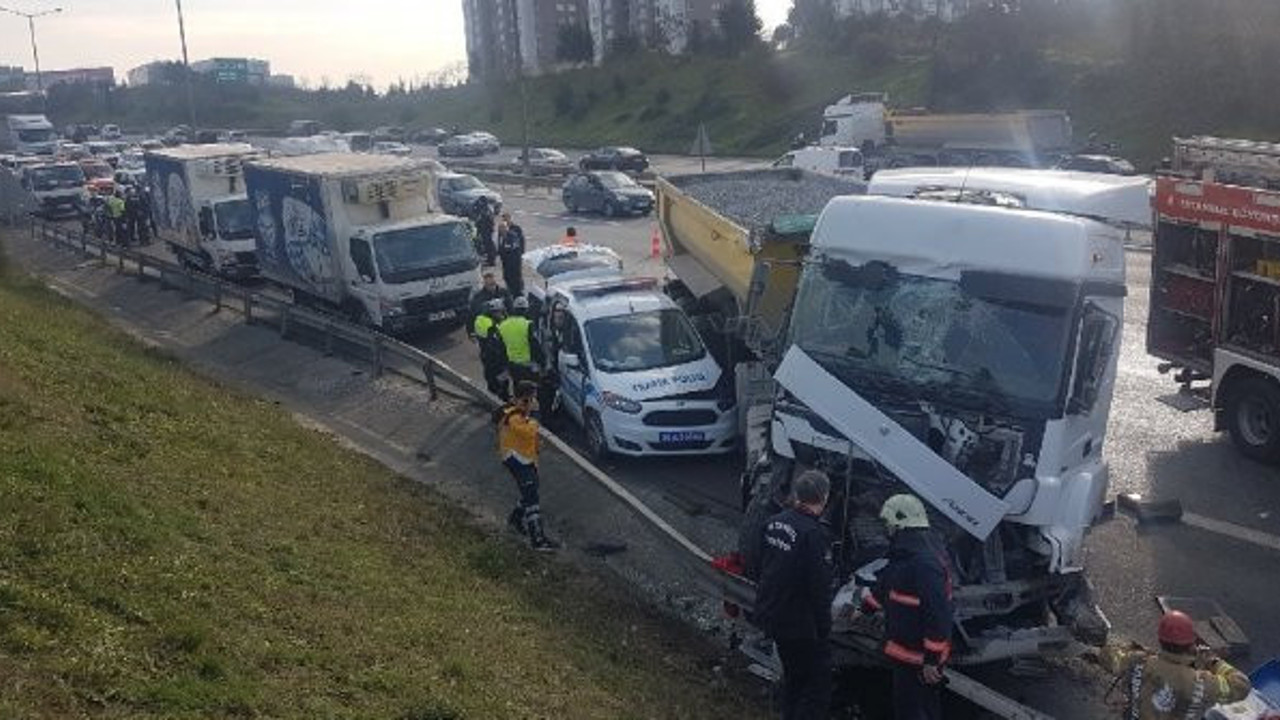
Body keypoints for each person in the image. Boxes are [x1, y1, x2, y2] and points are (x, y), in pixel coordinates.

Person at [864, 494, 953, 720]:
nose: (886, 530)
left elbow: (938, 614)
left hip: (920, 660)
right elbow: (889, 587)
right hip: (907, 655)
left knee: (917, 712)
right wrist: (865, 608)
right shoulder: (906, 555)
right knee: (912, 709)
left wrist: (932, 660)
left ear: (898, 525)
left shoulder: (924, 564)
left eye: (888, 525)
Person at [753, 470, 833, 720]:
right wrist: (824, 627)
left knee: (793, 677)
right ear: (824, 497)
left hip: (772, 612)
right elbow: (819, 587)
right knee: (817, 686)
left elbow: (757, 563)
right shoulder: (813, 535)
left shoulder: (774, 522)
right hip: (800, 623)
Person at [1098, 611, 1251, 719]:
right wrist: (1213, 661)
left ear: (1161, 640)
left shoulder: (1139, 661)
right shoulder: (1200, 683)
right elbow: (1242, 686)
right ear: (1192, 644)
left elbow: (1107, 657)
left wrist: (1134, 650)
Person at [496, 380, 558, 552]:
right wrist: (536, 414)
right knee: (532, 499)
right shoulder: (513, 416)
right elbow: (529, 431)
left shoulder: (520, 414)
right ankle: (538, 540)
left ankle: (515, 520)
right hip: (517, 460)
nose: (534, 402)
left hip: (525, 459)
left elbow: (531, 436)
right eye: (532, 399)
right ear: (524, 399)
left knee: (530, 490)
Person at [498, 296, 543, 387]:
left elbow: (500, 347)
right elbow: (535, 345)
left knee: (517, 387)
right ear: (526, 310)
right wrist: (542, 362)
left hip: (512, 365)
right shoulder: (528, 324)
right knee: (531, 390)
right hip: (528, 365)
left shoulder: (503, 325)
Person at [475, 298, 511, 401]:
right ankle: (503, 399)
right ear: (494, 312)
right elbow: (498, 343)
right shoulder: (493, 326)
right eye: (501, 312)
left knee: (490, 379)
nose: (502, 315)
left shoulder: (480, 320)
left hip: (485, 356)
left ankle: (492, 397)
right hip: (497, 358)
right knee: (502, 381)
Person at [467, 271, 511, 340]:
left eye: (493, 284)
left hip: (504, 326)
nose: (492, 287)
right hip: (487, 330)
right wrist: (471, 333)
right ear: (485, 284)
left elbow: (511, 308)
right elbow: (471, 315)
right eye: (489, 285)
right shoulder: (478, 297)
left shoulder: (504, 292)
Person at [496, 211, 526, 296]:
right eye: (503, 218)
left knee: (516, 278)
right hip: (505, 261)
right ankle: (511, 290)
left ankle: (518, 292)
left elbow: (521, 242)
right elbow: (499, 243)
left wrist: (522, 253)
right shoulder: (501, 233)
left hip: (514, 260)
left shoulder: (515, 230)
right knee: (507, 277)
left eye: (506, 218)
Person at [471, 200, 497, 266]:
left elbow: (487, 221)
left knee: (489, 245)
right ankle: (490, 258)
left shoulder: (487, 211)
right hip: (485, 230)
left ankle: (491, 260)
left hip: (487, 230)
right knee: (487, 244)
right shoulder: (486, 209)